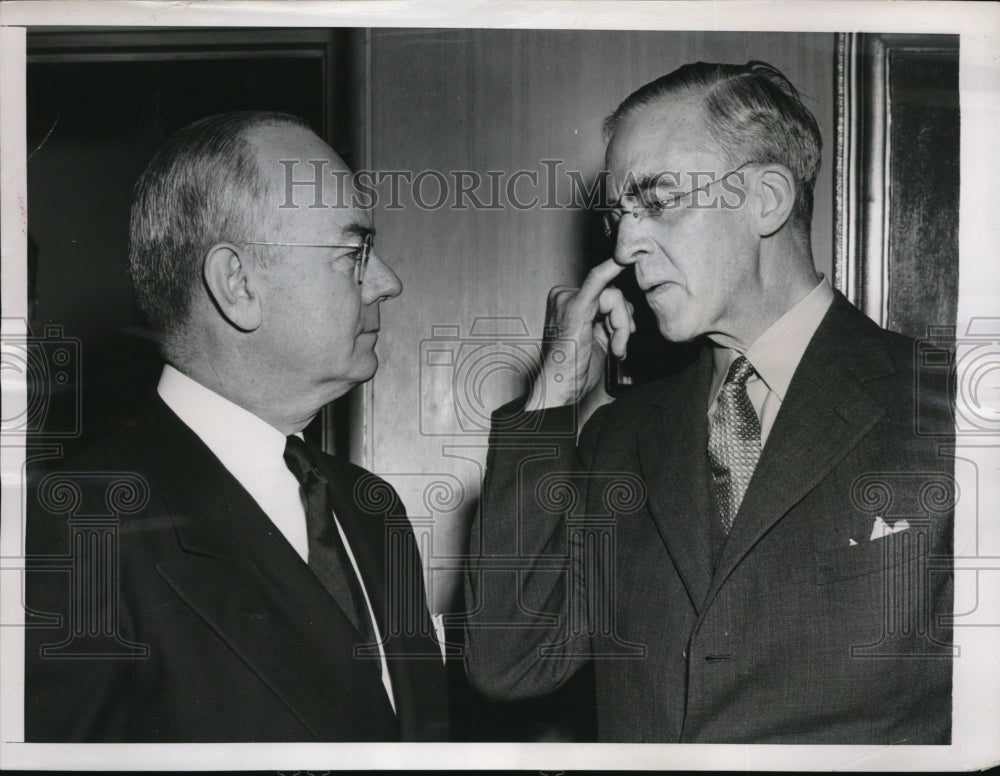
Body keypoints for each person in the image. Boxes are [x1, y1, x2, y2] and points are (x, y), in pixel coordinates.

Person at [464, 61, 954, 743]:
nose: (626, 245)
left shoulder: (953, 413)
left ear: (768, 199)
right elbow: (509, 661)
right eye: (618, 214)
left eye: (658, 201)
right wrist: (552, 390)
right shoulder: (620, 438)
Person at [25, 112, 448, 742]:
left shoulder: (371, 508)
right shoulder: (73, 528)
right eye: (353, 252)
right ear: (238, 284)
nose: (388, 282)